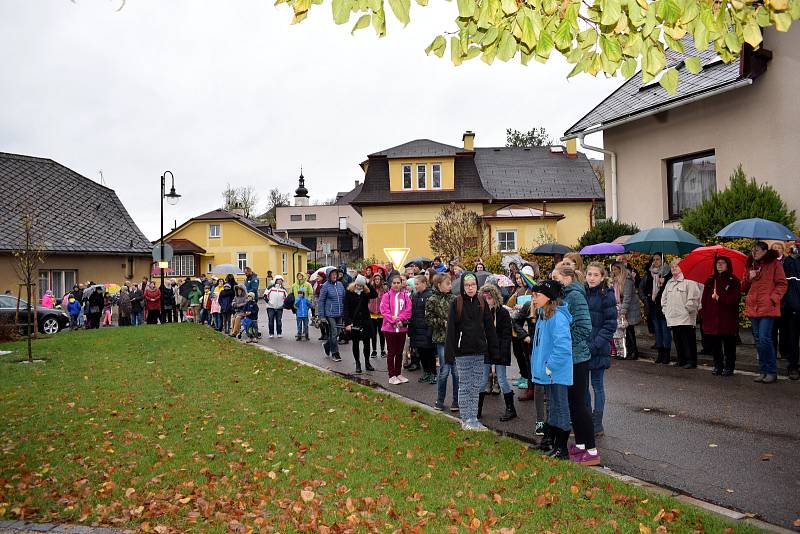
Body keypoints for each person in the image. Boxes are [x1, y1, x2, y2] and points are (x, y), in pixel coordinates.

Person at [551, 262, 599, 465]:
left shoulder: (575, 296)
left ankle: (591, 450)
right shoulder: (565, 296)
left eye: (556, 279)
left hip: (577, 358)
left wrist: (565, 342)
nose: (553, 282)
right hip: (569, 357)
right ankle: (580, 445)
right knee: (573, 403)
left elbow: (584, 327)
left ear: (567, 279)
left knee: (580, 405)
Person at [444, 272, 499, 431]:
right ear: (462, 286)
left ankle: (473, 418)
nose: (470, 288)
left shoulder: (482, 302)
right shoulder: (456, 303)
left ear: (477, 286)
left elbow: (489, 328)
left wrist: (494, 351)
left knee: (476, 387)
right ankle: (466, 418)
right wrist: (450, 354)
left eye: (473, 285)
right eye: (467, 285)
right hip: (462, 352)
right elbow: (451, 331)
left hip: (479, 351)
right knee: (465, 385)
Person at [529, 279, 573, 460]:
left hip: (557, 373)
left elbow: (563, 347)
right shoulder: (543, 315)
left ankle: (562, 449)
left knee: (561, 408)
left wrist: (549, 367)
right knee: (553, 407)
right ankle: (554, 445)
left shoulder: (557, 317)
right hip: (549, 373)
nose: (533, 299)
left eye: (537, 295)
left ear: (548, 297)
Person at [743, 241, 788, 383]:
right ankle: (762, 371)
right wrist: (748, 277)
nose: (754, 252)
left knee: (764, 339)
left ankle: (771, 371)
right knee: (758, 340)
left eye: (756, 250)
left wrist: (773, 298)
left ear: (764, 251)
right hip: (753, 307)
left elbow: (782, 284)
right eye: (752, 250)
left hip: (767, 307)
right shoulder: (751, 265)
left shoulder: (775, 264)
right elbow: (743, 287)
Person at [584, 262, 617, 436]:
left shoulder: (607, 294)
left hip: (598, 348)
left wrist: (596, 344)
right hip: (583, 348)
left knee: (597, 385)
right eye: (589, 274)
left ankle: (597, 424)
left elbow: (610, 324)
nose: (592, 278)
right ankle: (587, 420)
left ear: (602, 277)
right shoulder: (583, 292)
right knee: (583, 388)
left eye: (596, 275)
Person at [478, 283, 516, 422]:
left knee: (502, 379)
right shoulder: (481, 312)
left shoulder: (503, 312)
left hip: (499, 350)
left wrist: (501, 354)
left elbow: (506, 335)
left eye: (489, 297)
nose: (487, 300)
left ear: (495, 297)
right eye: (484, 297)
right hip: (485, 351)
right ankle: (478, 409)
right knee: (482, 381)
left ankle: (510, 409)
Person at [700, 256, 742, 376]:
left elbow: (735, 299)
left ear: (728, 265)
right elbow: (704, 300)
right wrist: (704, 313)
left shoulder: (733, 280)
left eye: (723, 263)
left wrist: (720, 298)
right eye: (718, 263)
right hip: (712, 318)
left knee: (729, 345)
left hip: (727, 319)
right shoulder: (710, 280)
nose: (720, 265)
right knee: (715, 346)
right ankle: (718, 365)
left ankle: (729, 367)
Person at [427, 273, 459, 412]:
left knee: (456, 372)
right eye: (447, 283)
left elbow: (460, 316)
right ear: (439, 285)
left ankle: (456, 401)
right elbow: (428, 318)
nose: (450, 285)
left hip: (455, 339)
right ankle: (440, 400)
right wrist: (442, 323)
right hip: (441, 340)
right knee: (444, 371)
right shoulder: (432, 299)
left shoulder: (454, 298)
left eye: (450, 283)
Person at [661, 260, 702, 369]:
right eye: (672, 266)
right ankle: (681, 359)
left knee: (688, 340)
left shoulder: (689, 281)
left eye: (676, 266)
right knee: (677, 340)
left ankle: (691, 360)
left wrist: (687, 310)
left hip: (686, 318)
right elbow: (663, 299)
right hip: (673, 317)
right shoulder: (669, 282)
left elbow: (693, 298)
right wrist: (666, 310)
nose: (673, 268)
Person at [772, 242, 800, 380]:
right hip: (794, 307)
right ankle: (793, 366)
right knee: (793, 338)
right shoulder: (789, 262)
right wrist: (791, 305)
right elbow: (786, 285)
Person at [380, 274, 413, 384]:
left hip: (401, 328)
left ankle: (398, 373)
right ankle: (391, 375)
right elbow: (384, 310)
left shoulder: (405, 296)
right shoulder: (386, 296)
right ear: (391, 284)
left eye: (398, 282)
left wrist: (400, 319)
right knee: (391, 352)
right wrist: (393, 320)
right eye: (394, 283)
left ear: (401, 283)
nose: (396, 285)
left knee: (399, 352)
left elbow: (408, 310)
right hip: (389, 329)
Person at [343, 275, 377, 374]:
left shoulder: (365, 291)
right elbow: (346, 309)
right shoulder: (349, 292)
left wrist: (368, 284)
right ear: (355, 283)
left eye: (361, 286)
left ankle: (367, 362)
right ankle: (358, 363)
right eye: (358, 285)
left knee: (367, 343)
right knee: (355, 343)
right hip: (354, 322)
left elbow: (374, 295)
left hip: (365, 321)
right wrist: (348, 323)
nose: (359, 287)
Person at [641, 254, 672, 363]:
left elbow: (669, 290)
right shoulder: (650, 273)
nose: (655, 261)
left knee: (665, 329)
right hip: (652, 305)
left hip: (663, 305)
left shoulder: (668, 273)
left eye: (658, 259)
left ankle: (667, 353)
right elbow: (645, 287)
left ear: (663, 260)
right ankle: (660, 353)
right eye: (654, 259)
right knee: (657, 330)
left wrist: (663, 283)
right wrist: (648, 296)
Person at [410, 275, 436, 384]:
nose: (415, 286)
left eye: (417, 284)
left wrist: (430, 329)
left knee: (429, 353)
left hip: (426, 329)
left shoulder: (430, 296)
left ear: (424, 283)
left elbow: (432, 314)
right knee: (421, 352)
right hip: (417, 329)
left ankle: (433, 374)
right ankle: (426, 372)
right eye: (415, 284)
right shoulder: (415, 296)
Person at [611, 262, 640, 360]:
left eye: (616, 269)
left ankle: (634, 352)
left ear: (620, 269)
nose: (614, 271)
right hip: (621, 306)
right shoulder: (615, 281)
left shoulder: (627, 280)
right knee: (624, 331)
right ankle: (627, 351)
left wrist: (623, 312)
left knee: (630, 330)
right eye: (613, 269)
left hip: (630, 308)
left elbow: (627, 297)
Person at [318, 268, 346, 362]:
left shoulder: (340, 285)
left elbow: (344, 298)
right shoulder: (325, 286)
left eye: (336, 274)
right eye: (332, 274)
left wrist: (346, 313)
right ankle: (335, 353)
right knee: (333, 333)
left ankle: (327, 345)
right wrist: (321, 316)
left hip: (339, 313)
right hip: (329, 313)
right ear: (329, 276)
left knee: (338, 333)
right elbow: (321, 301)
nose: (334, 276)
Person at [368, 273, 387, 358]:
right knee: (373, 333)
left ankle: (383, 350)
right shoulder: (370, 289)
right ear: (373, 280)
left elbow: (387, 301)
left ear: (381, 280)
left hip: (381, 315)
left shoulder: (384, 290)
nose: (377, 281)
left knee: (382, 333)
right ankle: (374, 350)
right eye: (375, 279)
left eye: (378, 279)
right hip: (372, 315)